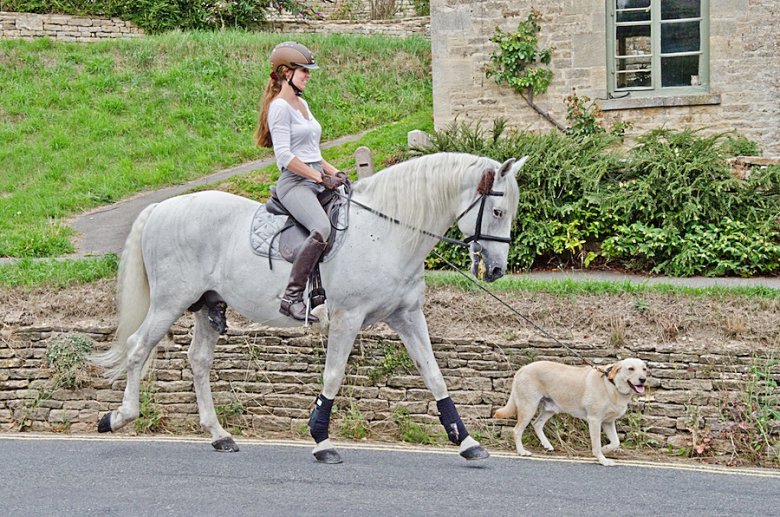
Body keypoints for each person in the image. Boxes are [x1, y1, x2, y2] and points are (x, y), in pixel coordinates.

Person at [256, 41, 346, 323]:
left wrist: (337, 173)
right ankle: (292, 297)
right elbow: (285, 156)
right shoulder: (279, 107)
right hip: (294, 184)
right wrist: (320, 177)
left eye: (308, 71)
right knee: (321, 227)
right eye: (303, 70)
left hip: (314, 178)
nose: (308, 75)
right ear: (285, 73)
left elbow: (313, 154)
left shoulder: (303, 104)